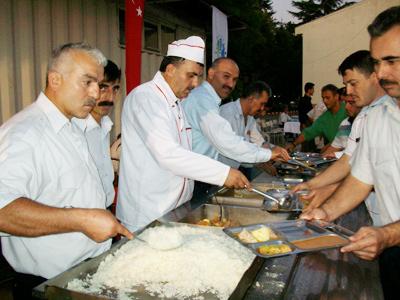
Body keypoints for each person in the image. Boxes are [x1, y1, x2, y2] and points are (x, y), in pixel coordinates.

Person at [0, 43, 132, 298]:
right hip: (47, 286)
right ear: (55, 80)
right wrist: (82, 220)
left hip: (81, 274)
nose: (95, 93)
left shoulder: (71, 126)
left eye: (99, 84)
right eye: (88, 82)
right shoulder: (25, 133)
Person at [301, 7, 400, 299]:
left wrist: (387, 234)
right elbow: (360, 177)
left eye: (391, 61)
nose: (381, 73)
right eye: (378, 63)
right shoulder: (377, 117)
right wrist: (324, 212)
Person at [117, 36, 250, 232]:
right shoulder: (146, 98)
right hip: (147, 214)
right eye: (191, 75)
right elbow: (168, 154)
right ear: (170, 70)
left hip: (174, 210)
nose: (196, 83)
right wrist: (223, 173)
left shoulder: (175, 102)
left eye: (198, 76)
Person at [293, 50, 387, 214]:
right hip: (379, 216)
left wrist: (330, 191)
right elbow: (347, 161)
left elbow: (380, 176)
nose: (348, 91)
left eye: (353, 83)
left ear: (374, 77)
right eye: (346, 85)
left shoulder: (391, 114)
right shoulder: (362, 117)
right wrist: (312, 185)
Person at [182, 57, 290, 172]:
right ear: (211, 73)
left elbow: (257, 142)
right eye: (226, 76)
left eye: (234, 80)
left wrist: (273, 151)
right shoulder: (204, 101)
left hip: (213, 172)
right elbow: (228, 143)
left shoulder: (212, 101)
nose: (231, 84)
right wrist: (268, 154)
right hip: (203, 173)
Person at [73, 59, 122, 208]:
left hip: (103, 212)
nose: (110, 97)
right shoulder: (75, 129)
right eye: (103, 88)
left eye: (115, 89)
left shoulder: (105, 126)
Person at [219, 80, 277, 175]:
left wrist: (275, 150)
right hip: (218, 173)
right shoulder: (228, 114)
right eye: (261, 104)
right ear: (251, 99)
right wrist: (267, 156)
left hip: (233, 171)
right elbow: (235, 149)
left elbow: (259, 142)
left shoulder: (250, 118)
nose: (262, 108)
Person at [286, 84, 347, 152]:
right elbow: (308, 132)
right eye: (323, 98)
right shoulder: (324, 118)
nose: (324, 101)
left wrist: (330, 145)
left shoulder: (348, 110)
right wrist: (293, 144)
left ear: (336, 96)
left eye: (327, 98)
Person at [321, 94, 360, 158]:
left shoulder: (369, 124)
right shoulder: (345, 123)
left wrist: (336, 155)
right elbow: (334, 147)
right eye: (345, 102)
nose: (346, 107)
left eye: (351, 103)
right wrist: (319, 159)